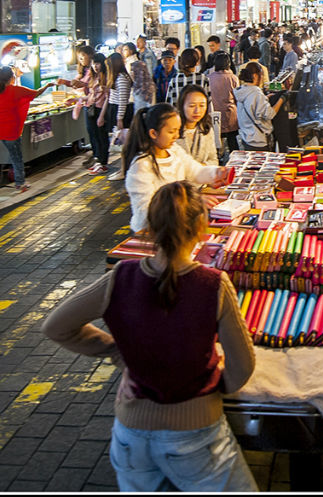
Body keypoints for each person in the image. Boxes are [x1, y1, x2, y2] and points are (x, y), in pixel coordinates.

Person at [42, 181, 257, 491]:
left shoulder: (120, 276)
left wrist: (120, 354)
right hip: (198, 436)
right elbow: (242, 366)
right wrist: (214, 387)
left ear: (150, 227)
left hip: (131, 436)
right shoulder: (213, 284)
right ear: (202, 226)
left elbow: (55, 326)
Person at [121, 104, 230, 233]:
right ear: (153, 133)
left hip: (176, 224)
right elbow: (147, 209)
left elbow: (194, 171)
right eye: (171, 132)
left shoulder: (173, 150)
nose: (176, 136)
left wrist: (216, 173)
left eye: (178, 130)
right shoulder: (141, 165)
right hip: (153, 232)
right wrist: (191, 202)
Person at [0, 67, 54, 197]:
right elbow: (36, 93)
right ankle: (20, 184)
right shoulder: (16, 90)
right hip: (10, 130)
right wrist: (48, 85)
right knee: (16, 158)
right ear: (11, 78)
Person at [233, 63, 282, 151]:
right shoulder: (257, 93)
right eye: (261, 75)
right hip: (259, 140)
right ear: (255, 76)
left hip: (246, 138)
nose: (262, 78)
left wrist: (265, 98)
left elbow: (250, 104)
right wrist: (282, 99)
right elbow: (269, 114)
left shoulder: (242, 91)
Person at [176, 85, 219, 167]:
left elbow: (213, 160)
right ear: (182, 106)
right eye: (192, 106)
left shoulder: (206, 129)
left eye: (202, 105)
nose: (197, 111)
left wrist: (199, 167)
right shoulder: (173, 131)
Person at [85, 52, 113, 175]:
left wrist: (102, 115)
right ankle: (97, 160)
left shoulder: (106, 78)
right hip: (90, 108)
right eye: (93, 63)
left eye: (97, 63)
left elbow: (108, 97)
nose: (95, 66)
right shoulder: (93, 77)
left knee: (101, 136)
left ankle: (103, 162)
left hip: (100, 109)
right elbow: (90, 95)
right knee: (93, 135)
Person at [206, 51, 240, 153]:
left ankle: (218, 161)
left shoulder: (209, 78)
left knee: (216, 141)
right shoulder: (233, 78)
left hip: (215, 115)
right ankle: (236, 163)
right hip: (230, 114)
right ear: (228, 64)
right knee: (232, 142)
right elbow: (237, 97)